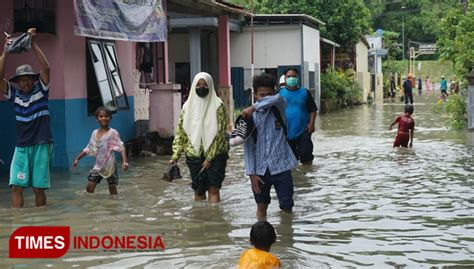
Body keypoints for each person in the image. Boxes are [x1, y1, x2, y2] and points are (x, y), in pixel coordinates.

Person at [0, 28, 52, 208]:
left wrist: (32, 42)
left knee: (38, 188)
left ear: (33, 79)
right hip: (22, 146)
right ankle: (19, 223)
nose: (26, 82)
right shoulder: (14, 95)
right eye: (22, 79)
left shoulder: (42, 91)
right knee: (16, 187)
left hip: (41, 143)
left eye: (29, 78)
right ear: (18, 82)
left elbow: (46, 67)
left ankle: (41, 222)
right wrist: (5, 52)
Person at [242, 74, 297, 220]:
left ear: (274, 93)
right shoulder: (249, 117)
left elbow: (277, 98)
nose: (266, 98)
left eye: (269, 94)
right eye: (262, 95)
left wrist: (254, 106)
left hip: (282, 166)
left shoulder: (279, 107)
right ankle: (262, 238)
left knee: (287, 207)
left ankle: (286, 237)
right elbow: (248, 149)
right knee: (261, 207)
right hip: (260, 170)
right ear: (254, 94)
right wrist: (251, 174)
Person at [170, 72, 229, 203]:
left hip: (216, 155)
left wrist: (209, 158)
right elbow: (181, 132)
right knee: (198, 189)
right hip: (194, 154)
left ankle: (213, 217)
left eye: (205, 85)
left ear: (210, 86)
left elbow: (220, 133)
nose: (201, 87)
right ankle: (200, 220)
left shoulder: (218, 105)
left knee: (213, 189)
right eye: (198, 85)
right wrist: (175, 155)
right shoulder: (187, 107)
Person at [73, 107, 128, 195]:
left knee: (113, 192)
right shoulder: (94, 133)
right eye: (101, 116)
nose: (104, 118)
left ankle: (113, 207)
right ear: (97, 119)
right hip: (98, 166)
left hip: (110, 166)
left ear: (110, 118)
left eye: (106, 116)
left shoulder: (113, 133)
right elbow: (89, 148)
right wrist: (77, 159)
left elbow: (121, 147)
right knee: (89, 190)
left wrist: (125, 162)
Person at [279, 68, 317, 165]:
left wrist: (312, 124)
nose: (291, 78)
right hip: (286, 132)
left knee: (306, 155)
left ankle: (307, 176)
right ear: (285, 78)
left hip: (304, 129)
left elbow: (312, 109)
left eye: (294, 76)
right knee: (291, 159)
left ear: (298, 77)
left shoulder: (305, 92)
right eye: (289, 76)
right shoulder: (279, 94)